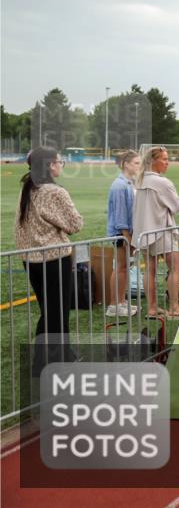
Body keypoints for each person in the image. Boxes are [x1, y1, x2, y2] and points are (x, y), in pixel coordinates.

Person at [14, 147, 84, 358]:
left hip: (30, 258)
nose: (61, 165)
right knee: (58, 312)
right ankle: (53, 357)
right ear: (50, 165)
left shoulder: (28, 187)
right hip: (54, 258)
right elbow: (75, 224)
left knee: (49, 310)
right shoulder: (54, 191)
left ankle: (53, 354)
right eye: (60, 162)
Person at [132, 146, 179, 319]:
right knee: (174, 268)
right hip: (162, 230)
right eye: (164, 159)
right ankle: (174, 308)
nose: (168, 162)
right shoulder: (163, 182)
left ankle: (152, 309)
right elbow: (177, 207)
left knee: (149, 270)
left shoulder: (140, 180)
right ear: (153, 161)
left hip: (144, 232)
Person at [105, 150, 140, 317]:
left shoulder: (129, 183)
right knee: (120, 268)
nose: (139, 166)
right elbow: (120, 216)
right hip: (121, 233)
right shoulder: (119, 185)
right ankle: (114, 305)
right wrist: (128, 238)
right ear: (126, 164)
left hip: (128, 233)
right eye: (136, 163)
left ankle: (121, 301)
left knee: (125, 268)